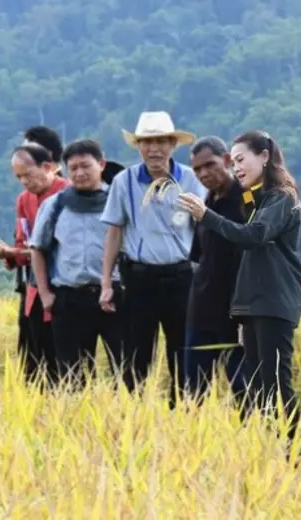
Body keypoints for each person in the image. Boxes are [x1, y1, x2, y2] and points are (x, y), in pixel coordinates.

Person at [177, 130, 301, 439]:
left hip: (274, 301)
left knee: (276, 381)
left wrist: (206, 215)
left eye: (241, 159)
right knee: (257, 384)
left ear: (264, 156)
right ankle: (264, 448)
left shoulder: (282, 197)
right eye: (233, 162)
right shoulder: (254, 197)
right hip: (252, 303)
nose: (237, 168)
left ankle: (294, 451)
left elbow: (254, 235)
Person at [99, 111, 207, 406]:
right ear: (138, 146)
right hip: (139, 279)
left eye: (161, 141)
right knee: (136, 353)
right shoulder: (124, 182)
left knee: (183, 352)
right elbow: (114, 233)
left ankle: (185, 415)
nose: (154, 149)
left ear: (173, 144)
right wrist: (106, 282)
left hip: (181, 278)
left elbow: (204, 228)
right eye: (147, 142)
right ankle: (137, 414)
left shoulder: (191, 180)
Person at [29, 139, 127, 389]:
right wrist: (45, 295)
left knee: (127, 370)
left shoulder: (120, 201)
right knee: (73, 375)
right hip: (69, 299)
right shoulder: (55, 205)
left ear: (101, 164)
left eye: (86, 166)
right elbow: (38, 249)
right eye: (73, 168)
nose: (80, 173)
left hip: (114, 296)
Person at [183, 136, 260, 405]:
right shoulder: (206, 202)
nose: (204, 173)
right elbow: (199, 257)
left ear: (227, 160)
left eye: (210, 165)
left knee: (244, 388)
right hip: (202, 310)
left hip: (236, 312)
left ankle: (255, 442)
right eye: (197, 170)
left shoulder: (248, 200)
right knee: (194, 391)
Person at [0, 142, 70, 385]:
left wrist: (16, 252)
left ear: (47, 167)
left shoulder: (68, 194)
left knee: (63, 359)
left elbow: (55, 248)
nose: (24, 182)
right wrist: (10, 257)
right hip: (34, 289)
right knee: (36, 358)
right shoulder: (23, 200)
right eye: (19, 177)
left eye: (28, 174)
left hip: (63, 285)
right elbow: (23, 241)